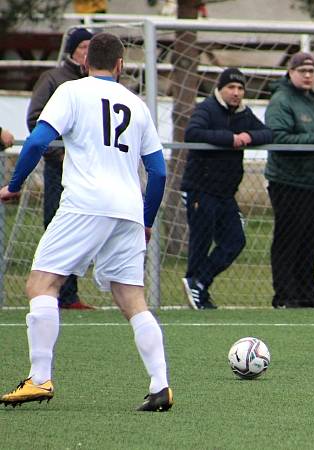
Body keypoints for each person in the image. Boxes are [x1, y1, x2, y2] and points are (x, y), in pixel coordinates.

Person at [0, 33, 171, 411]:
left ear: (85, 62)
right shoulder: (136, 104)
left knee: (41, 284)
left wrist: (13, 185)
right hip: (127, 208)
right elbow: (158, 172)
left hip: (85, 203)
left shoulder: (72, 92)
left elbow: (35, 143)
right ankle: (161, 385)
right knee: (133, 299)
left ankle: (40, 378)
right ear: (121, 65)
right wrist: (145, 219)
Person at [181, 68, 272, 310]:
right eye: (231, 87)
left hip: (225, 192)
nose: (236, 92)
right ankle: (198, 289)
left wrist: (248, 136)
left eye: (240, 88)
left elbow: (267, 133)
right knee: (201, 241)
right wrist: (230, 139)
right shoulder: (207, 109)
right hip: (200, 188)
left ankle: (199, 282)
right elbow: (193, 132)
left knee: (235, 240)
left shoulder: (244, 113)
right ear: (220, 89)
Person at [265, 52, 314, 309]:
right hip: (290, 184)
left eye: (311, 71)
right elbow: (277, 139)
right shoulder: (281, 100)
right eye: (302, 71)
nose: (308, 75)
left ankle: (309, 296)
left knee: (311, 244)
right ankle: (285, 296)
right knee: (289, 240)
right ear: (290, 72)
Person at [26, 27, 94, 310]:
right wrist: (61, 156)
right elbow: (35, 120)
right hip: (61, 170)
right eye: (84, 47)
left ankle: (69, 294)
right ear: (73, 50)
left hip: (89, 171)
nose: (88, 53)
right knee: (57, 225)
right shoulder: (53, 79)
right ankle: (54, 293)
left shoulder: (96, 83)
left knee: (86, 228)